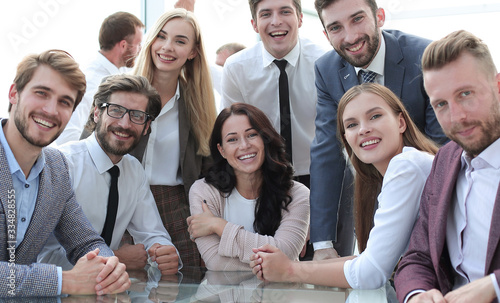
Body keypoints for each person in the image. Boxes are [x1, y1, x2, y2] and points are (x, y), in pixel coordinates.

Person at [249, 83, 437, 289]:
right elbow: (368, 258)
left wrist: (289, 271)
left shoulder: (406, 166)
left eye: (375, 116)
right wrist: (288, 265)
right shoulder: (404, 166)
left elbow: (371, 273)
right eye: (351, 125)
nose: (364, 129)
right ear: (346, 138)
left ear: (401, 122)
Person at [309, 0, 448, 261]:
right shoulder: (326, 69)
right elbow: (326, 152)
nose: (350, 37)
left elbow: (441, 148)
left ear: (380, 16)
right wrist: (322, 242)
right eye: (336, 27)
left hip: (430, 194)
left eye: (357, 19)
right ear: (326, 35)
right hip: (372, 193)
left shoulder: (425, 55)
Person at [0, 50, 130, 296]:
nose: (50, 110)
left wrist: (108, 267)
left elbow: (86, 241)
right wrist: (63, 281)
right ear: (14, 93)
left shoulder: (56, 168)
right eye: (42, 93)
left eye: (64, 102)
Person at [395, 30, 500, 303]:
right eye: (441, 104)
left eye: (465, 94)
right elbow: (418, 256)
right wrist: (416, 295)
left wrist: (494, 286)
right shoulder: (446, 159)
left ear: (498, 85)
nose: (456, 117)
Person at [38, 75, 181, 275]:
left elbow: (153, 234)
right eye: (116, 110)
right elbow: (40, 256)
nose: (124, 123)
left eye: (137, 116)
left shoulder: (134, 171)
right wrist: (114, 258)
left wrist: (163, 251)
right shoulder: (63, 165)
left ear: (147, 126)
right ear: (97, 112)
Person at [130, 8, 217, 267]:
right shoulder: (120, 93)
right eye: (162, 37)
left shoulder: (200, 106)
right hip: (122, 207)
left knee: (181, 290)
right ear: (151, 41)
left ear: (192, 52)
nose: (167, 47)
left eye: (180, 41)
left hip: (176, 211)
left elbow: (212, 172)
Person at [187, 103, 309, 271]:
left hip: (282, 295)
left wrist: (219, 226)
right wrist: (270, 260)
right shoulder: (203, 192)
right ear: (221, 150)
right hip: (227, 296)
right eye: (232, 139)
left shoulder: (298, 194)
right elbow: (215, 263)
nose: (244, 146)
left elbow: (285, 254)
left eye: (251, 135)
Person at [221, 0, 328, 190]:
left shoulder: (324, 63)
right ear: (254, 24)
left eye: (285, 12)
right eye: (266, 14)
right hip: (260, 175)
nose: (276, 21)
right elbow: (232, 133)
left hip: (320, 173)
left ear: (300, 19)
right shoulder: (236, 68)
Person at [54, 11, 144, 145]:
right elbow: (67, 136)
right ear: (123, 45)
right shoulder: (90, 82)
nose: (140, 50)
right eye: (138, 45)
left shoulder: (121, 72)